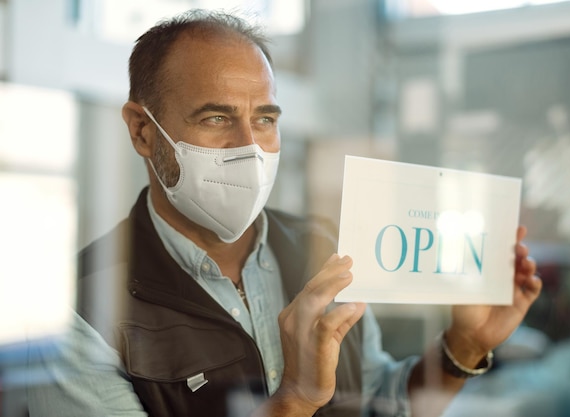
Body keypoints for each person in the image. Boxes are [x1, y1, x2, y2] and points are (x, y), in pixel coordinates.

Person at [26, 9, 541, 417]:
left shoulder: (326, 251)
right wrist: (293, 401)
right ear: (142, 131)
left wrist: (461, 350)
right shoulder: (75, 315)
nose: (249, 147)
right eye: (216, 117)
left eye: (265, 119)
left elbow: (383, 405)